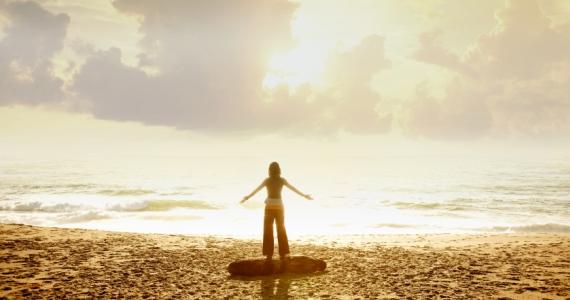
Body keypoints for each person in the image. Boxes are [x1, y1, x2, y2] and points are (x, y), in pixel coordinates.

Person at [240, 162, 312, 264]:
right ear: (279, 170)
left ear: (269, 170)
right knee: (281, 229)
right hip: (279, 207)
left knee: (268, 230)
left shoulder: (267, 180)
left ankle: (269, 255)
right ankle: (283, 254)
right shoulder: (281, 180)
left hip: (269, 207)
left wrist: (246, 197)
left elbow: (256, 190)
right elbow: (293, 189)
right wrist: (304, 195)